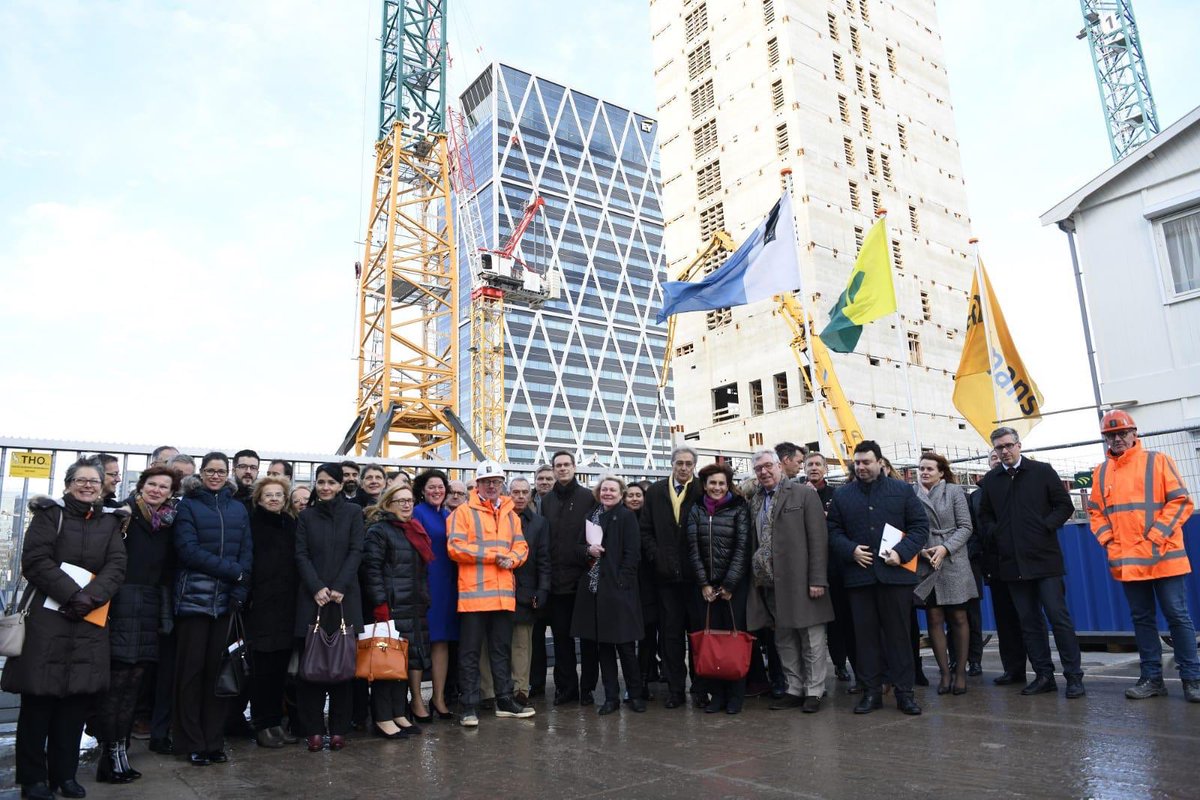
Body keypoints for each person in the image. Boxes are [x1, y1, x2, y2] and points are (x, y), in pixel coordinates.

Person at [3, 459, 128, 800]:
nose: (87, 485)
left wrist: (90, 598)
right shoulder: (49, 516)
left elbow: (117, 565)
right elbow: (35, 560)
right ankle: (33, 779)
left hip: (89, 620)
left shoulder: (110, 523)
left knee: (74, 706)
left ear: (103, 486)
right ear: (69, 483)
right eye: (80, 480)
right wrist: (72, 595)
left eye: (94, 481)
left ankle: (66, 776)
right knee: (38, 705)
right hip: (48, 621)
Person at [1088, 410, 1199, 702]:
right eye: (1111, 435)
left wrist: (1156, 537)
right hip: (1128, 562)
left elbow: (1181, 501)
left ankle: (1193, 679)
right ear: (1105, 439)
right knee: (1142, 619)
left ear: (1135, 433)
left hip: (1165, 556)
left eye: (1123, 433)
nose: (1117, 439)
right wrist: (1110, 542)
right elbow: (1096, 514)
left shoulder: (1157, 461)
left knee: (1178, 617)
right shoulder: (1101, 472)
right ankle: (1152, 679)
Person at [978, 427, 1083, 699]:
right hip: (1013, 565)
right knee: (1029, 623)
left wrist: (1045, 527)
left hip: (1045, 561)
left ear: (1019, 445)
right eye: (999, 447)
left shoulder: (1042, 471)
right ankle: (1044, 676)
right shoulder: (991, 480)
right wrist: (996, 533)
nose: (1005, 451)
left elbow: (1064, 506)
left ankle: (1073, 677)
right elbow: (985, 516)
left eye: (1009, 445)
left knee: (1058, 619)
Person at [828, 441, 928, 716]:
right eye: (857, 462)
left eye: (866, 462)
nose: (860, 467)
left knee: (899, 638)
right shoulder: (843, 495)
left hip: (895, 578)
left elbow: (920, 527)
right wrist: (850, 550)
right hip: (859, 579)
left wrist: (901, 553)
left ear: (880, 462)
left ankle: (904, 694)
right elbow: (833, 530)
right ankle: (871, 692)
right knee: (866, 639)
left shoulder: (902, 491)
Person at [94, 465, 178, 783]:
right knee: (116, 684)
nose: (157, 490)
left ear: (171, 493)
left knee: (134, 684)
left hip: (150, 605)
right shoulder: (124, 514)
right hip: (121, 602)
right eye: (152, 484)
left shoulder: (167, 523)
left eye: (164, 487)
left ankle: (120, 752)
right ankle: (108, 755)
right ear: (141, 486)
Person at [172, 452, 253, 766]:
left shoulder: (237, 509)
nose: (216, 476)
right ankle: (190, 741)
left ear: (227, 473)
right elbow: (187, 551)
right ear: (201, 473)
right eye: (210, 471)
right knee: (190, 675)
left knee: (218, 675)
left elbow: (247, 552)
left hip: (225, 605)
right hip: (193, 602)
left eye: (221, 471)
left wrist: (241, 588)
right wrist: (233, 572)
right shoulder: (188, 506)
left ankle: (213, 740)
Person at [447, 461, 533, 727]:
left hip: (503, 595)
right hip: (474, 596)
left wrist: (513, 559)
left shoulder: (511, 515)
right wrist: (495, 556)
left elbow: (521, 547)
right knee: (470, 653)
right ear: (479, 484)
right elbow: (455, 548)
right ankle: (469, 705)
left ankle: (504, 700)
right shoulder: (462, 512)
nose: (492, 485)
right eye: (487, 481)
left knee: (501, 651)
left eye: (496, 481)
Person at [746, 451, 834, 713]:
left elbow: (818, 539)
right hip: (771, 582)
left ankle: (815, 691)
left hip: (802, 580)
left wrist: (817, 579)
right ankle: (794, 689)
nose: (764, 472)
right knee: (784, 639)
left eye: (768, 466)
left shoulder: (803, 494)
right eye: (758, 468)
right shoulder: (756, 499)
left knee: (811, 638)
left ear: (779, 466)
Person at [294, 463, 365, 752]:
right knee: (311, 667)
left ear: (339, 485)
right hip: (313, 599)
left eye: (331, 482)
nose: (325, 487)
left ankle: (338, 730)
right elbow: (300, 554)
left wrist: (339, 587)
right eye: (320, 482)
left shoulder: (353, 513)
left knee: (342, 669)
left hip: (344, 600)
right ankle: (313, 730)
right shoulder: (306, 516)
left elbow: (356, 550)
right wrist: (317, 587)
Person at [362, 484, 434, 738]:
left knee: (404, 662)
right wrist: (380, 604)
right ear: (387, 503)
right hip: (390, 608)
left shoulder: (412, 530)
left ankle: (399, 713)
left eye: (409, 500)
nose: (406, 505)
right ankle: (383, 718)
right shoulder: (379, 531)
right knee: (386, 664)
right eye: (400, 500)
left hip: (413, 606)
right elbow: (372, 570)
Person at [572, 476, 645, 715]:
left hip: (618, 592)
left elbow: (633, 553)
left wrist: (622, 583)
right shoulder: (591, 516)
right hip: (594, 592)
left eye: (612, 490)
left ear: (621, 493)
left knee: (625, 648)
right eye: (604, 489)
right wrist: (587, 550)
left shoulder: (626, 516)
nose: (607, 493)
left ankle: (635, 695)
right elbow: (577, 547)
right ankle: (611, 697)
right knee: (604, 650)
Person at [640, 446, 702, 709]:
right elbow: (645, 530)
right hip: (665, 578)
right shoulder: (655, 492)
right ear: (672, 464)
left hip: (695, 577)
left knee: (697, 636)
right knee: (671, 636)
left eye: (689, 464)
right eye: (680, 463)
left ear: (694, 466)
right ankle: (675, 689)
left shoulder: (701, 489)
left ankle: (700, 688)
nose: (684, 468)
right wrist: (657, 556)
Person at [687, 463, 752, 714]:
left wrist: (729, 585)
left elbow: (742, 548)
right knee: (711, 642)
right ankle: (717, 695)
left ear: (728, 485)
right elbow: (693, 549)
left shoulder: (739, 508)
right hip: (705, 587)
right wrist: (704, 583)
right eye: (712, 483)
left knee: (733, 640)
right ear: (705, 485)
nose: (717, 487)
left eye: (721, 483)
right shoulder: (696, 509)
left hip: (733, 587)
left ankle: (736, 695)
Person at [914, 452, 976, 696]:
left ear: (941, 471)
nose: (924, 472)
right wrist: (920, 550)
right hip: (925, 561)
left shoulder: (954, 491)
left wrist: (945, 547)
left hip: (953, 561)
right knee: (934, 618)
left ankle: (960, 672)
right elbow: (908, 527)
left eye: (930, 468)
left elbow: (966, 527)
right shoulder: (912, 494)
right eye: (921, 468)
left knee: (959, 617)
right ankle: (944, 673)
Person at [245, 476, 300, 748]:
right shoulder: (252, 524)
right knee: (262, 670)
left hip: (287, 605)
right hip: (261, 605)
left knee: (281, 670)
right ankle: (262, 724)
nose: (274, 498)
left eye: (279, 494)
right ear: (259, 498)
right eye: (269, 494)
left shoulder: (291, 524)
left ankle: (276, 723)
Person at [540, 451, 597, 706]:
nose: (562, 469)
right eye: (558, 466)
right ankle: (566, 688)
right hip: (556, 582)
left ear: (574, 467)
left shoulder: (587, 497)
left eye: (566, 465)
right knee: (562, 639)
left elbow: (595, 536)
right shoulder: (547, 501)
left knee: (587, 639)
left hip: (582, 580)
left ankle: (587, 689)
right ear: (553, 470)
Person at [973, 450, 1028, 686]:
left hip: (1025, 564)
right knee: (1005, 622)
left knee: (1028, 619)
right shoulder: (976, 496)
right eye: (993, 458)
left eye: (1001, 456)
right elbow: (975, 529)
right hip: (995, 565)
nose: (998, 459)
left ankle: (1041, 670)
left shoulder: (1022, 485)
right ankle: (1012, 670)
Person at [807, 452, 855, 687]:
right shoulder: (798, 492)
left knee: (840, 619)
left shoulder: (837, 495)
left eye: (818, 464)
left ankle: (840, 664)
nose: (814, 468)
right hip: (809, 568)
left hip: (835, 567)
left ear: (825, 469)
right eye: (810, 464)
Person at [413, 469, 456, 720]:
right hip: (426, 583)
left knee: (442, 642)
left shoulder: (448, 514)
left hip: (447, 584)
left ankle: (438, 698)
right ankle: (417, 699)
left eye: (440, 487)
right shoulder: (417, 513)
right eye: (432, 487)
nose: (437, 491)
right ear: (422, 489)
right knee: (420, 644)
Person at [508, 477, 551, 706]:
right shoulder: (499, 519)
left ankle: (520, 690)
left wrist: (542, 589)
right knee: (496, 643)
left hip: (527, 591)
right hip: (500, 590)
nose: (521, 496)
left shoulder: (539, 523)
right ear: (509, 493)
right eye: (516, 492)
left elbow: (544, 560)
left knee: (523, 643)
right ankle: (496, 690)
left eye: (525, 492)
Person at [626, 482, 660, 697]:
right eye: (630, 495)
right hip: (627, 588)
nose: (635, 499)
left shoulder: (651, 522)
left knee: (648, 639)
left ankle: (645, 680)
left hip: (649, 588)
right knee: (628, 639)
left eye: (639, 495)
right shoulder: (617, 519)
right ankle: (633, 683)